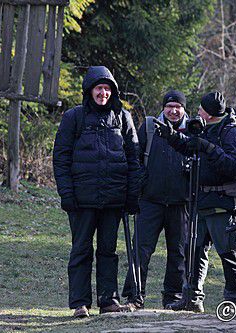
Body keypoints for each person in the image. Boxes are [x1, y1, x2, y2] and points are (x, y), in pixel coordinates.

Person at [53, 66, 141, 318]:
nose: (103, 93)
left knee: (108, 251)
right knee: (81, 250)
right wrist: (66, 193)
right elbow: (61, 158)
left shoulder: (122, 118)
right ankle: (80, 303)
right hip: (82, 199)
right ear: (89, 90)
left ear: (113, 92)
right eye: (98, 88)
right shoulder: (74, 117)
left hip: (113, 199)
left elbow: (134, 158)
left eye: (107, 88)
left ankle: (108, 300)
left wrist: (132, 196)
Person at [155, 92, 236, 313]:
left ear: (211, 112)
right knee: (194, 253)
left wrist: (209, 147)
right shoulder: (204, 128)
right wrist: (171, 136)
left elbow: (233, 166)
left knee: (229, 253)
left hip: (224, 204)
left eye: (201, 109)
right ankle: (192, 299)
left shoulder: (233, 133)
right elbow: (190, 145)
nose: (197, 112)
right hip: (201, 203)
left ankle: (233, 301)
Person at [122, 90, 190, 309]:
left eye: (177, 107)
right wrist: (137, 189)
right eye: (169, 106)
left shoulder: (193, 130)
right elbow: (135, 159)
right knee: (140, 249)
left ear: (184, 109)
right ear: (163, 108)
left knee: (179, 252)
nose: (173, 111)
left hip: (182, 203)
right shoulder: (150, 128)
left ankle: (173, 297)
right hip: (149, 201)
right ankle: (134, 296)